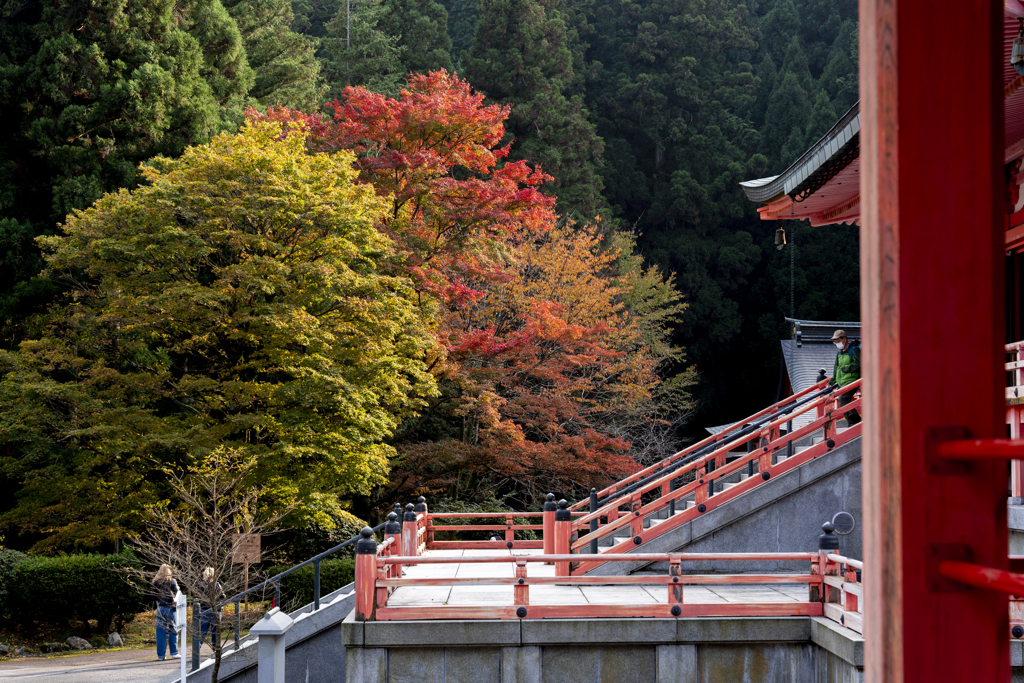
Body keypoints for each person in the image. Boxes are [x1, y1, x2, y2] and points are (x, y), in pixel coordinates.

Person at [828, 329, 861, 426]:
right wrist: (831, 382)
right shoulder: (839, 353)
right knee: (841, 401)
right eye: (835, 341)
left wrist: (846, 369)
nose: (837, 343)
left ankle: (855, 420)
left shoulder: (854, 350)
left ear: (844, 339)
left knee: (843, 398)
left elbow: (859, 364)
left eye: (838, 341)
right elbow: (836, 368)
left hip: (852, 380)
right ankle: (851, 423)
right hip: (842, 382)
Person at [151, 564, 180, 661]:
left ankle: (161, 656)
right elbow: (177, 593)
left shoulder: (156, 582)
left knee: (160, 633)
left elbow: (152, 596)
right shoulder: (172, 581)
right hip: (170, 608)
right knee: (173, 630)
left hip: (160, 608)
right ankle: (174, 652)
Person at [197, 567, 225, 648]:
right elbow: (222, 596)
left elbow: (197, 597)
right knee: (215, 631)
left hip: (204, 609)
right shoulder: (216, 584)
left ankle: (198, 646)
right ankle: (215, 648)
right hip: (215, 609)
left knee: (202, 631)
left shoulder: (200, 585)